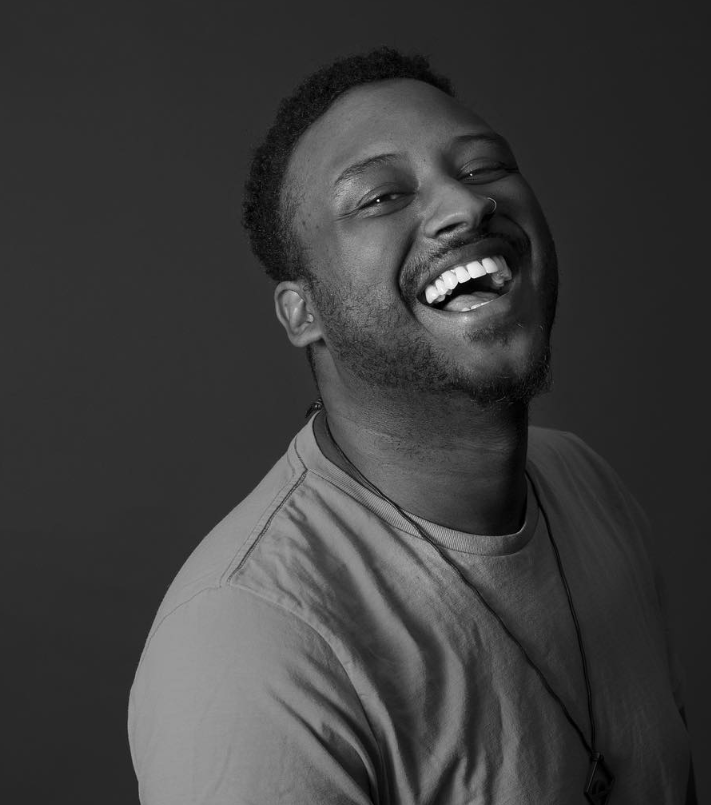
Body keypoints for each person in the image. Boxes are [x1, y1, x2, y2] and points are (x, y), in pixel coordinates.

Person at [128, 48, 696, 804]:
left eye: (485, 166)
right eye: (380, 197)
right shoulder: (250, 644)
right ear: (303, 312)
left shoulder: (587, 487)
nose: (465, 205)